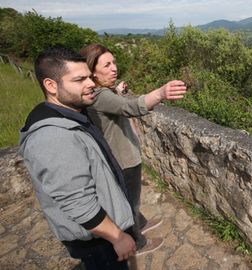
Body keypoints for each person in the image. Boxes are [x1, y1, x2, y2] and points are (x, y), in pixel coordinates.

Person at [19, 47, 136, 270]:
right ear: (51, 85)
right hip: (99, 241)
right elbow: (77, 201)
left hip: (101, 236)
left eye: (89, 77)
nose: (91, 83)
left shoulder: (71, 113)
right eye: (79, 79)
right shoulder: (53, 136)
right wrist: (117, 237)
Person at [79, 44, 187, 254]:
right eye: (107, 65)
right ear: (92, 71)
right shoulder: (99, 95)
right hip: (123, 159)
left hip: (122, 155)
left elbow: (113, 103)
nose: (114, 68)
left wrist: (117, 91)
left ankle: (139, 222)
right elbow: (129, 107)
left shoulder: (98, 94)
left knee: (131, 198)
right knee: (129, 202)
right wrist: (161, 93)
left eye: (114, 62)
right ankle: (136, 241)